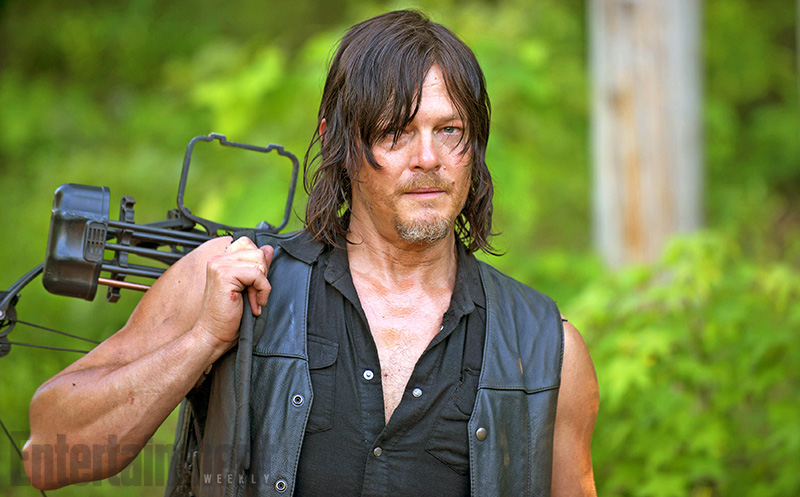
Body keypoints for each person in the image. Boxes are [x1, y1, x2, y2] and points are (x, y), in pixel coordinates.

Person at [23, 9, 599, 496]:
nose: (428, 158)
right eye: (395, 132)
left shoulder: (545, 351)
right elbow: (47, 454)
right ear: (337, 141)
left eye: (450, 131)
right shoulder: (232, 282)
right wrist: (202, 341)